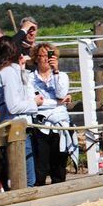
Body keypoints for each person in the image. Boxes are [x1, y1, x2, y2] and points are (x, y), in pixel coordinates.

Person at [0, 36, 42, 188]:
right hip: (15, 129)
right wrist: (34, 103)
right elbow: (13, 106)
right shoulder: (7, 73)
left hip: (17, 127)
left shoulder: (8, 71)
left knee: (24, 178)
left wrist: (22, 70)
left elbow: (21, 95)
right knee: (25, 179)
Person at [29, 42, 77, 185]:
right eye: (42, 56)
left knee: (59, 164)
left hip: (59, 124)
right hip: (40, 124)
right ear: (36, 58)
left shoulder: (62, 76)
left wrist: (56, 72)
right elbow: (34, 101)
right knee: (41, 166)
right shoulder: (30, 78)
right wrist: (58, 102)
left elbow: (61, 93)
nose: (45, 59)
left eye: (49, 55)